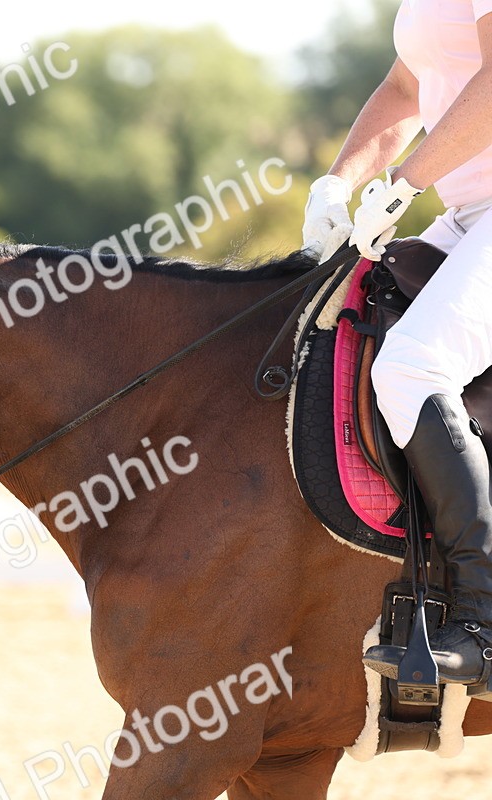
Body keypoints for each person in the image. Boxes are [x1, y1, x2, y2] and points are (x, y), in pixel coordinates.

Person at [301, 0, 492, 690]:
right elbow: (406, 89)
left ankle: (483, 624)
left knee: (414, 364)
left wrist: (406, 182)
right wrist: (340, 180)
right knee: (326, 313)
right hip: (469, 214)